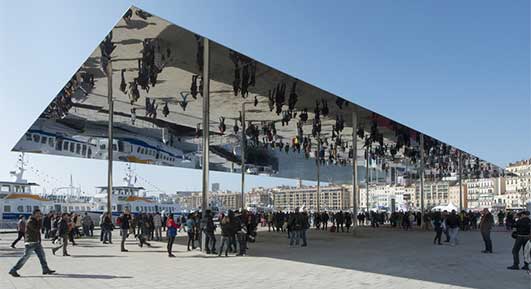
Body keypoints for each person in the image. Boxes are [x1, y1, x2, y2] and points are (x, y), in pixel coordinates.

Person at [9, 209, 55, 277]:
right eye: (38, 213)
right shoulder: (30, 221)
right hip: (30, 243)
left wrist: (39, 220)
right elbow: (37, 229)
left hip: (36, 242)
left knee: (42, 256)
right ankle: (13, 270)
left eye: (40, 213)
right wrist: (39, 220)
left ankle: (45, 269)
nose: (39, 215)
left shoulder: (35, 220)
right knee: (25, 257)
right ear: (34, 214)